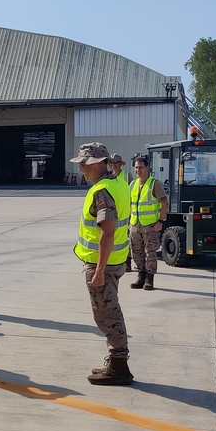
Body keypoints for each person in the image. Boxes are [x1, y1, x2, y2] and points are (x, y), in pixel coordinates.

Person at [71, 142, 133, 385]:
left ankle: (119, 367)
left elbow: (107, 232)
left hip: (103, 265)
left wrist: (97, 272)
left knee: (107, 315)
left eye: (84, 164)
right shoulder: (118, 183)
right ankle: (116, 361)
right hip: (114, 262)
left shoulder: (102, 191)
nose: (81, 170)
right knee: (109, 311)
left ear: (98, 164)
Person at [128, 156, 168, 291]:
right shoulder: (133, 184)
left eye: (140, 167)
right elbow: (130, 204)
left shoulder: (154, 183)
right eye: (136, 167)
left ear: (147, 168)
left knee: (150, 253)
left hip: (150, 226)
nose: (138, 170)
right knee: (136, 253)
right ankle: (140, 276)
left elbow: (164, 203)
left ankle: (149, 279)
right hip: (135, 224)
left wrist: (160, 221)